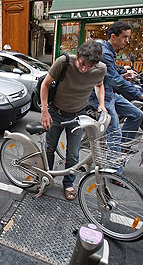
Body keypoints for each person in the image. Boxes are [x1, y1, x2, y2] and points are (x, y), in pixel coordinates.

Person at [88, 22, 143, 173]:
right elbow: (116, 81)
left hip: (110, 92)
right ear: (113, 37)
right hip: (100, 96)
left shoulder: (108, 49)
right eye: (125, 37)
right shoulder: (105, 52)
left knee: (137, 114)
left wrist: (123, 73)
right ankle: (115, 172)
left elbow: (111, 74)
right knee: (114, 132)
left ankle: (119, 150)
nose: (127, 40)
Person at [40, 40, 107, 200]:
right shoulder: (64, 62)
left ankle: (68, 184)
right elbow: (45, 85)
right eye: (82, 63)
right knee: (49, 148)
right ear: (77, 56)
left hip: (78, 115)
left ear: (96, 64)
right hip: (56, 112)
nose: (84, 69)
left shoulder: (100, 70)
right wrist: (44, 111)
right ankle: (46, 178)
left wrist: (102, 104)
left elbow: (99, 85)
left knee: (73, 154)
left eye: (89, 66)